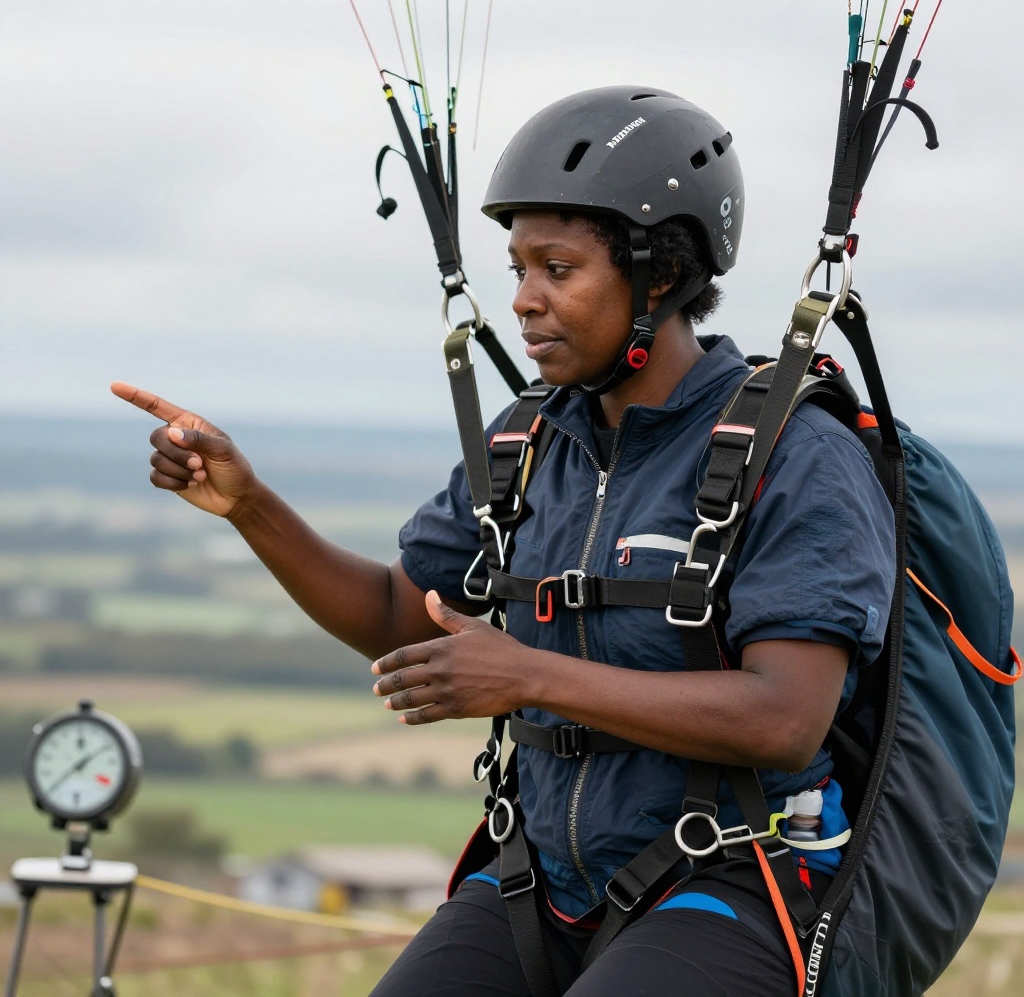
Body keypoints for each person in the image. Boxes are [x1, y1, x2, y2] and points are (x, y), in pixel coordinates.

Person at [113, 86, 896, 996]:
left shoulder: (796, 453)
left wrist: (528, 675)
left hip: (731, 878)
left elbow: (783, 717)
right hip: (542, 882)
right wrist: (251, 506)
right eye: (518, 267)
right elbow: (397, 614)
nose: (523, 301)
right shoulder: (530, 445)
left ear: (661, 275)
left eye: (558, 269)